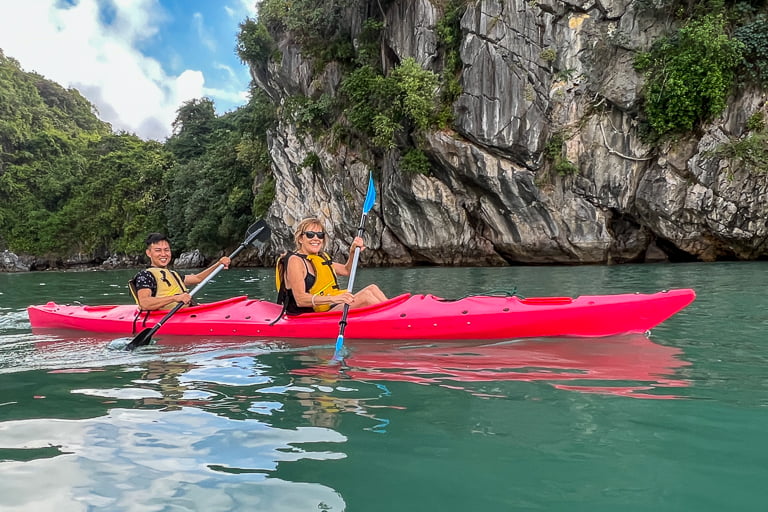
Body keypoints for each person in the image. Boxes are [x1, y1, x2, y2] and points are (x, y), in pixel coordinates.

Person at [276, 217, 387, 315]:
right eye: (310, 234)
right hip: (308, 316)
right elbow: (300, 300)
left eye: (320, 235)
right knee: (366, 297)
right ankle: (395, 320)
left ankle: (397, 315)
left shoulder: (320, 259)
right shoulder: (295, 260)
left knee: (372, 288)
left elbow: (346, 271)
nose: (316, 238)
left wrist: (352, 252)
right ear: (300, 239)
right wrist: (334, 299)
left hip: (327, 308)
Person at [131, 233, 231, 311]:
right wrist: (175, 298)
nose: (163, 254)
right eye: (158, 250)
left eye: (166, 250)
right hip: (164, 316)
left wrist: (218, 264)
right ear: (149, 253)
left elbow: (198, 279)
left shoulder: (173, 274)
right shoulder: (145, 275)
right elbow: (145, 303)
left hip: (185, 312)